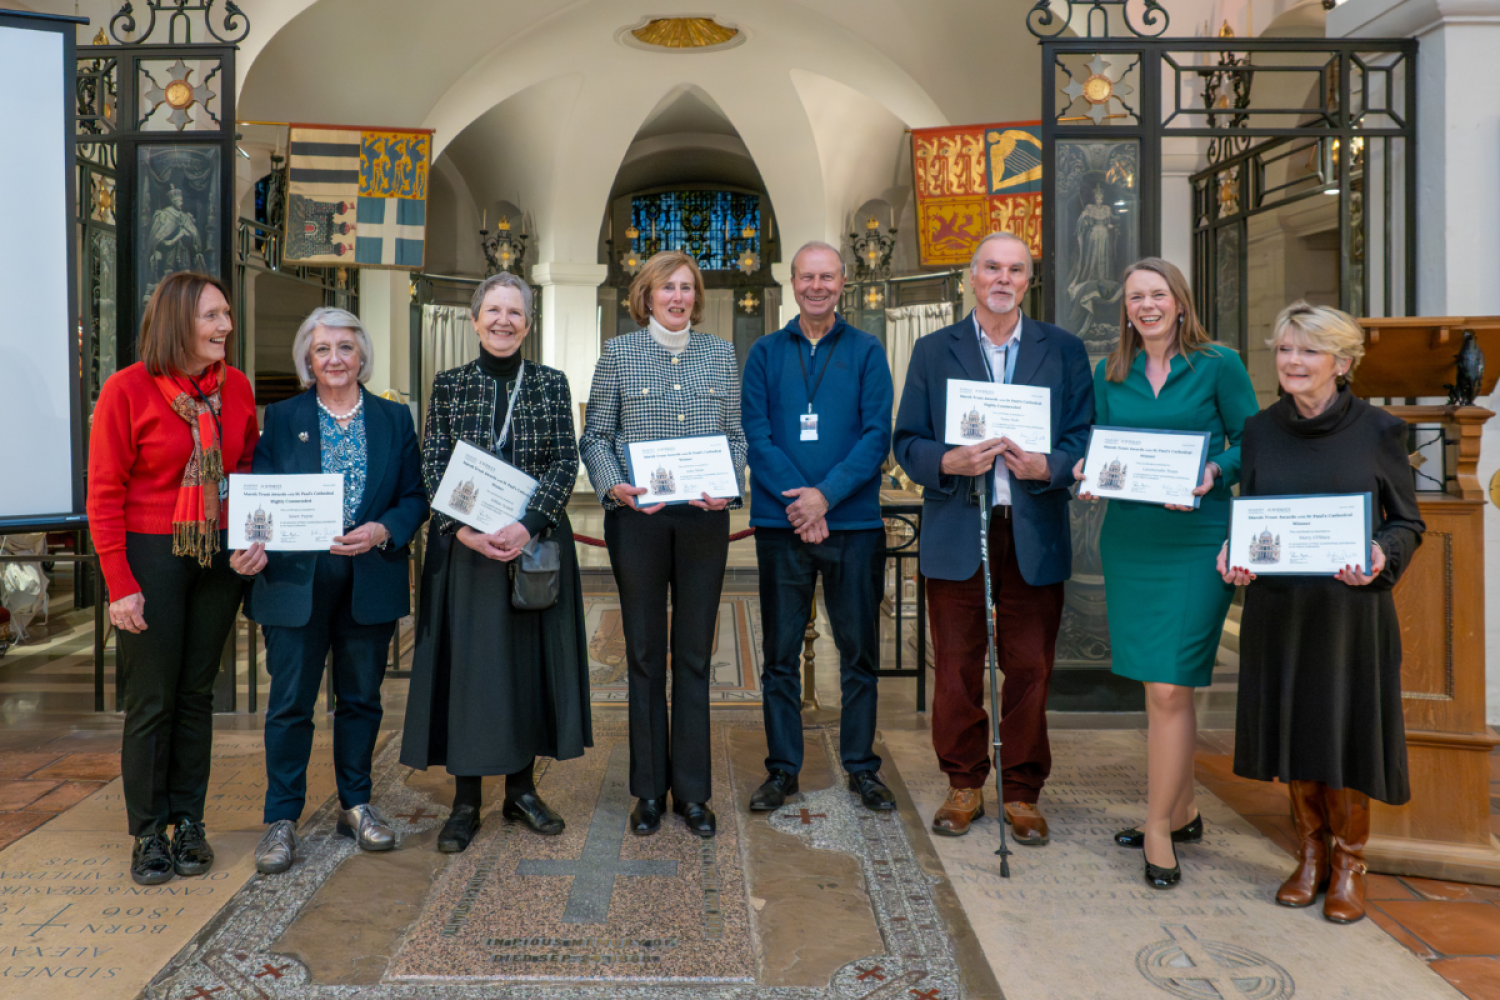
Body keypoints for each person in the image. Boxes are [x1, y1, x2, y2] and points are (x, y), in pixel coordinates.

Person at [1219, 302, 1423, 925]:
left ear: (1343, 362)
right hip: (1280, 606)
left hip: (1348, 610)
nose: (1293, 362)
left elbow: (1407, 523)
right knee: (1292, 725)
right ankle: (1308, 854)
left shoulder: (1380, 430)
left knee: (1345, 729)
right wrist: (1236, 552)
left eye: (1308, 351)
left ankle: (1350, 862)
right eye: (1284, 349)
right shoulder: (1259, 429)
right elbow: (1252, 513)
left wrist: (1379, 553)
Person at [892, 231, 1093, 844]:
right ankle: (964, 781)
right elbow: (907, 441)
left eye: (1015, 270)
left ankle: (1023, 789)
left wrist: (1049, 468)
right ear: (971, 278)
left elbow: (1084, 438)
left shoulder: (1062, 350)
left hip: (1031, 528)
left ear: (1028, 281)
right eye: (991, 268)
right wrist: (948, 462)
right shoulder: (933, 350)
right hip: (959, 525)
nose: (1003, 279)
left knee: (1030, 666)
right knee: (955, 666)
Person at [1072, 258, 1258, 888]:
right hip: (1131, 540)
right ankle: (1183, 809)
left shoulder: (1218, 365)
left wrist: (1215, 474)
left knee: (1173, 686)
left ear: (1179, 300)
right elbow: (1100, 440)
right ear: (1125, 310)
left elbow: (1249, 441)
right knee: (1157, 687)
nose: (1146, 306)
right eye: (1135, 298)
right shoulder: (1109, 372)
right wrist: (1091, 474)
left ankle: (1156, 829)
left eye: (1157, 295)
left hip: (1196, 538)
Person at [401, 273, 591, 852]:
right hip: (466, 553)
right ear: (475, 318)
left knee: (527, 667)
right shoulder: (451, 384)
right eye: (494, 310)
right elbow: (434, 462)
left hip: (533, 547)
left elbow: (565, 458)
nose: (504, 320)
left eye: (516, 312)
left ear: (528, 324)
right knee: (470, 669)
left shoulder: (550, 384)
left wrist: (525, 524)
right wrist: (465, 532)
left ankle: (520, 791)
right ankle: (464, 801)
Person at [239, 307, 428, 875]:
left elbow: (416, 497)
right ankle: (281, 821)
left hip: (369, 578)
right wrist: (251, 543)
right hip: (296, 582)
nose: (335, 359)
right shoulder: (282, 417)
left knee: (362, 701)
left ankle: (356, 804)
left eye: (345, 348)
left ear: (362, 355)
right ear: (307, 360)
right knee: (290, 704)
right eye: (322, 350)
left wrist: (383, 529)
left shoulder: (394, 420)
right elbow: (261, 496)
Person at [86, 272, 260, 885]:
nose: (226, 327)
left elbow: (241, 470)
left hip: (214, 558)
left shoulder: (234, 389)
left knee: (195, 696)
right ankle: (147, 834)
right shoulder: (126, 391)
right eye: (213, 316)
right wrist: (119, 583)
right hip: (150, 554)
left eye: (227, 315)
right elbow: (104, 494)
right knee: (151, 700)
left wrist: (248, 541)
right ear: (179, 321)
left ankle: (189, 823)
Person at [580, 251, 748, 838]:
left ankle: (694, 794)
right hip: (639, 521)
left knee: (696, 655)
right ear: (646, 296)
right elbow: (596, 434)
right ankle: (649, 790)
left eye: (686, 288)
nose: (677, 297)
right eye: (666, 288)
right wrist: (612, 485)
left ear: (696, 297)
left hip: (703, 522)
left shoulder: (720, 353)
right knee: (647, 656)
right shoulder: (619, 354)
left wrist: (727, 489)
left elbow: (734, 435)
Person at [741, 241, 896, 814]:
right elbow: (756, 436)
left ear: (843, 281)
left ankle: (861, 767)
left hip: (852, 524)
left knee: (858, 653)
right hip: (781, 526)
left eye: (826, 277)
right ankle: (783, 769)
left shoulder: (866, 350)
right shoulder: (763, 352)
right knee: (780, 655)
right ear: (791, 280)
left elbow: (876, 434)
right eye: (807, 277)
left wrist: (824, 497)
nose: (816, 286)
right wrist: (801, 506)